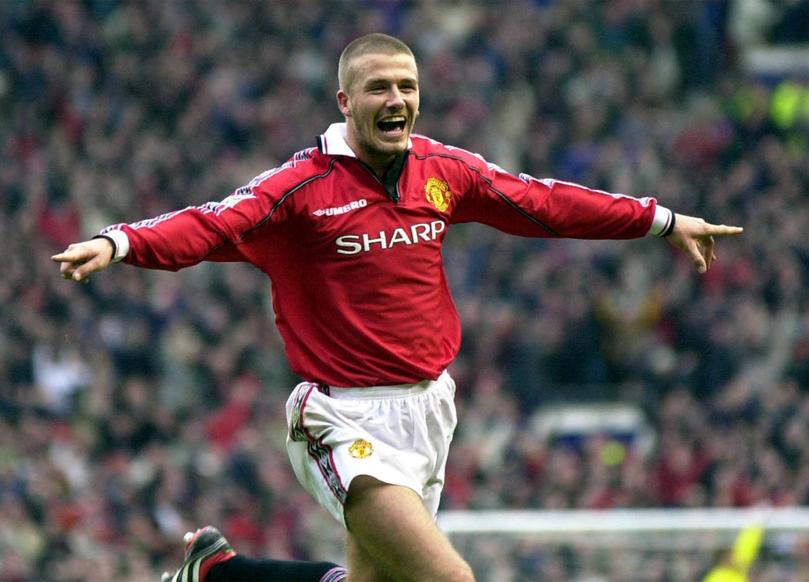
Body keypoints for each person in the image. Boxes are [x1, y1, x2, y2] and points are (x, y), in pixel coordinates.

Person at [53, 33, 743, 582]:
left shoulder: (442, 172)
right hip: (340, 416)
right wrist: (119, 242)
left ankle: (221, 573)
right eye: (378, 87)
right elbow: (211, 224)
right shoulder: (300, 187)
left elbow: (541, 201)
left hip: (427, 411)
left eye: (407, 86)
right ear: (344, 101)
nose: (396, 98)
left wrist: (658, 220)